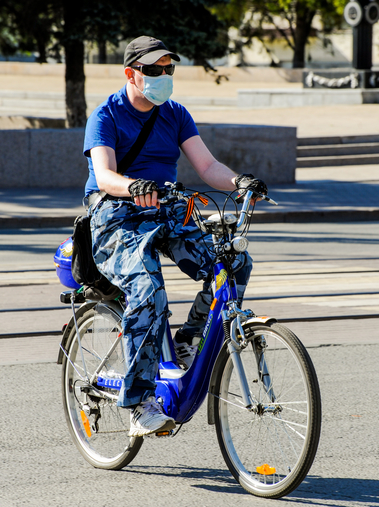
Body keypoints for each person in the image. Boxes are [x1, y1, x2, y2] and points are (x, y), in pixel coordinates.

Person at [82, 35, 268, 438]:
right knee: (148, 293)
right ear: (131, 73)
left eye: (168, 69)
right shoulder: (106, 115)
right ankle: (138, 403)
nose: (163, 76)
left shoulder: (176, 114)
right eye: (153, 70)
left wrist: (240, 182)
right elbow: (105, 176)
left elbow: (207, 165)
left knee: (233, 264)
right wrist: (132, 187)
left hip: (167, 209)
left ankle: (186, 340)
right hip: (117, 217)